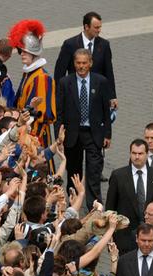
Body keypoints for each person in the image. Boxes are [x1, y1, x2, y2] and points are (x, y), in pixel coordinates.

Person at [56, 47, 114, 205]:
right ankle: (73, 205)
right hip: (72, 134)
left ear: (90, 63)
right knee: (74, 172)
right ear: (74, 64)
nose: (81, 66)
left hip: (93, 133)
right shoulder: (65, 82)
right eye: (78, 63)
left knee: (94, 172)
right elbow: (59, 112)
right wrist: (58, 136)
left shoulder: (100, 81)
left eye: (84, 63)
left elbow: (105, 110)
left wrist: (107, 134)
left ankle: (95, 207)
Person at [6, 19, 57, 160]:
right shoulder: (29, 73)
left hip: (35, 134)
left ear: (34, 54)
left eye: (26, 52)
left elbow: (42, 114)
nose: (22, 54)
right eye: (21, 51)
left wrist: (30, 137)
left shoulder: (41, 78)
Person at [106, 139, 153, 252]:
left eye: (140, 153)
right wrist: (110, 235)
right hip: (124, 236)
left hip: (150, 236)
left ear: (147, 154)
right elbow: (110, 207)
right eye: (134, 153)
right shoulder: (118, 176)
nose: (137, 157)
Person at [55, 12, 116, 107]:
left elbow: (108, 72)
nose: (99, 30)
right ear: (86, 26)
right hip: (74, 96)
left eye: (100, 27)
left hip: (97, 96)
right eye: (96, 27)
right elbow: (59, 73)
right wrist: (58, 97)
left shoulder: (104, 45)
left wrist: (112, 96)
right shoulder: (70, 44)